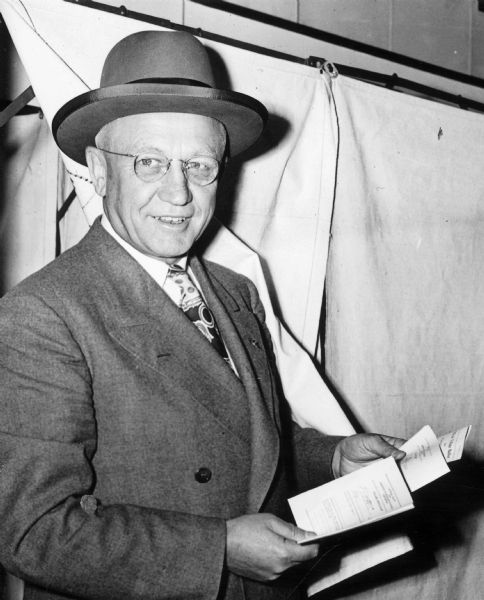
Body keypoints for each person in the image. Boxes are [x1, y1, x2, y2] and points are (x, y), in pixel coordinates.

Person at [0, 31, 405, 600]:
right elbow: (33, 532)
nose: (179, 192)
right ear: (96, 166)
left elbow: (243, 442)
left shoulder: (237, 292)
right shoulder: (43, 314)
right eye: (149, 162)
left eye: (200, 165)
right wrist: (216, 549)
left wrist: (332, 457)